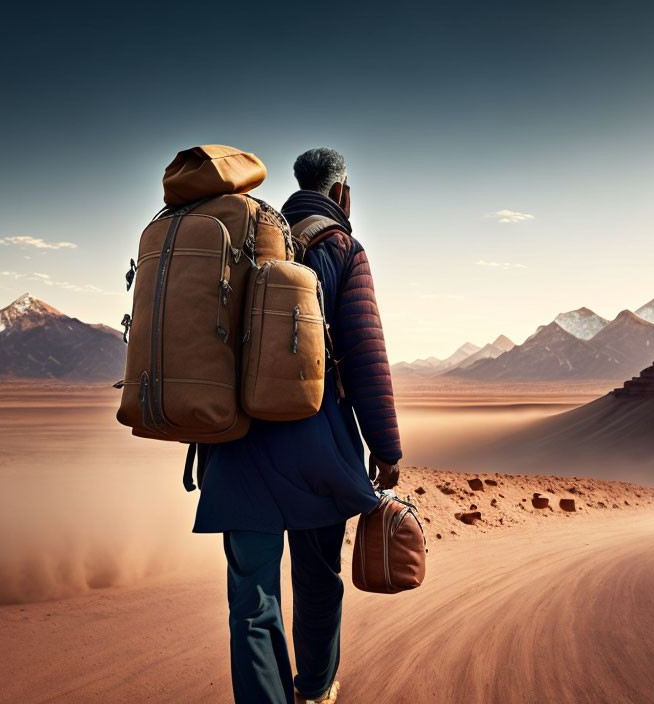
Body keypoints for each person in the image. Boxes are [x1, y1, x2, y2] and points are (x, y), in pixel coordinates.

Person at [192, 147, 402, 704]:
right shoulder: (342, 248)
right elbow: (364, 356)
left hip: (236, 452)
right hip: (318, 455)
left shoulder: (241, 243)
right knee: (317, 583)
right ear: (341, 193)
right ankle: (314, 689)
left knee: (252, 604)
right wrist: (386, 447)